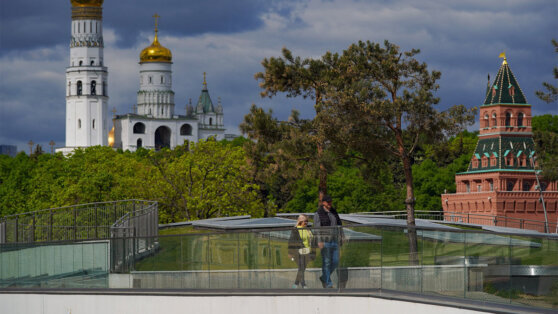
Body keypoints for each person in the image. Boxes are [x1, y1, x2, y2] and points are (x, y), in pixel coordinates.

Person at [314, 195, 342, 288]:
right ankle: (328, 284)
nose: (330, 203)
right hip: (325, 241)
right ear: (323, 203)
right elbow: (317, 229)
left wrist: (341, 237)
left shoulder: (334, 211)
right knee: (326, 262)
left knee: (335, 261)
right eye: (328, 202)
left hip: (335, 240)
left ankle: (324, 277)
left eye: (331, 202)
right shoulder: (318, 213)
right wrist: (319, 241)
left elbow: (339, 225)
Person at [288, 214, 315, 289]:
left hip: (307, 251)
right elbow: (291, 241)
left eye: (307, 221)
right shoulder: (296, 229)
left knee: (302, 269)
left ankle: (296, 284)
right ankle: (302, 284)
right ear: (300, 221)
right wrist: (290, 253)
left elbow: (312, 240)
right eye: (304, 221)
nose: (306, 223)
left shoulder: (308, 229)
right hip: (299, 252)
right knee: (301, 267)